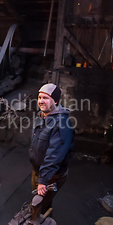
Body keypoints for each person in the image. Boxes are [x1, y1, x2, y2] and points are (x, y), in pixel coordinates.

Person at [29, 83, 74, 213]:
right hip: (39, 170)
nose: (41, 101)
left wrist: (43, 180)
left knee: (39, 208)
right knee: (43, 204)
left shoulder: (62, 123)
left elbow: (55, 155)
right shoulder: (42, 116)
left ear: (55, 100)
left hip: (51, 176)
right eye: (39, 97)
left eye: (46, 98)